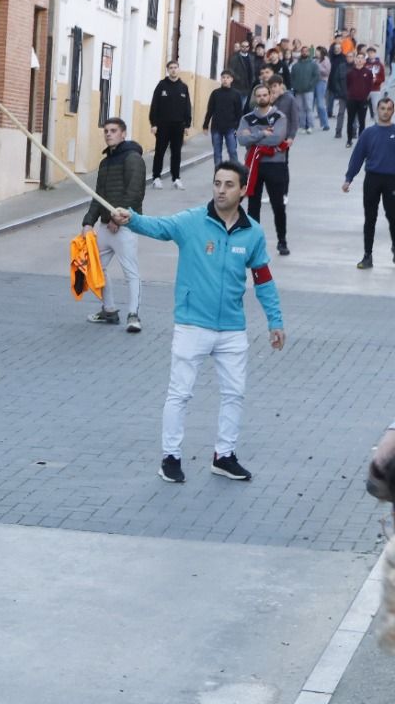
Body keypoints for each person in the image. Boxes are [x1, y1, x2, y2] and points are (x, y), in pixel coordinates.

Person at [110, 161, 285, 484]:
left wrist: (275, 321)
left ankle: (224, 456)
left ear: (243, 190)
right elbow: (158, 227)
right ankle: (171, 458)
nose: (220, 190)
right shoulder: (192, 221)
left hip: (232, 329)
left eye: (229, 184)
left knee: (234, 393)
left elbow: (263, 279)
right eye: (217, 183)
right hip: (192, 325)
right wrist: (131, 219)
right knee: (180, 393)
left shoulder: (253, 233)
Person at [80, 117, 145, 332]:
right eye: (106, 131)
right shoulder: (105, 162)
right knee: (96, 264)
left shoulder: (133, 158)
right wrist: (88, 222)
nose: (109, 134)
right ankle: (108, 310)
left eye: (113, 130)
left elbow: (135, 191)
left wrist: (120, 217)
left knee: (130, 272)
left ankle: (134, 315)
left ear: (123, 133)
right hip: (106, 227)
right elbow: (98, 195)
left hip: (125, 226)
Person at [237, 82, 291, 256]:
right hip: (254, 166)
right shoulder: (247, 119)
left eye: (264, 95)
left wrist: (253, 137)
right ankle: (254, 243)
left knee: (278, 205)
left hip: (276, 165)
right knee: (253, 206)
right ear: (255, 97)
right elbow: (242, 141)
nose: (261, 98)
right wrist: (262, 133)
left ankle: (282, 241)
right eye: (258, 95)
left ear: (270, 96)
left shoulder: (280, 117)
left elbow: (276, 138)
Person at [343, 96, 395, 269]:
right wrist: (349, 178)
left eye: (389, 109)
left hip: (392, 181)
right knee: (370, 218)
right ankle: (367, 256)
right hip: (372, 179)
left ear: (393, 111)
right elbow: (357, 156)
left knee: (393, 217)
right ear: (377, 110)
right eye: (382, 108)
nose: (385, 112)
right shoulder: (368, 133)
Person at [148, 61, 190, 190]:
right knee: (160, 152)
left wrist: (187, 124)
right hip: (163, 125)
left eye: (175, 68)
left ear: (179, 69)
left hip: (178, 125)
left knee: (176, 152)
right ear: (167, 70)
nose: (173, 70)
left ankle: (176, 178)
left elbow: (187, 106)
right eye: (171, 68)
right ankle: (156, 178)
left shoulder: (183, 87)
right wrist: (153, 123)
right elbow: (155, 105)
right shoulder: (161, 85)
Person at [203, 70, 244, 166]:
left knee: (232, 151)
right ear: (221, 79)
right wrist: (205, 125)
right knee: (217, 154)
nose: (225, 80)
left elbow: (239, 112)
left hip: (230, 128)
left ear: (231, 80)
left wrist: (238, 128)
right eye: (223, 77)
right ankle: (218, 176)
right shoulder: (215, 93)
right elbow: (210, 110)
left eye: (228, 78)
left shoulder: (236, 94)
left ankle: (235, 175)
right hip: (216, 128)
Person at [346, 52, 377, 148]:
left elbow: (369, 86)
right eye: (358, 58)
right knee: (350, 120)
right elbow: (347, 85)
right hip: (352, 99)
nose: (359, 60)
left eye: (361, 58)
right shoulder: (350, 72)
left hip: (362, 100)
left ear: (364, 61)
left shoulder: (368, 73)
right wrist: (349, 95)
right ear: (355, 60)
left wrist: (366, 96)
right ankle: (349, 140)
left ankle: (361, 141)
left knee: (362, 121)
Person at [288, 46, 318, 134]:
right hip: (298, 90)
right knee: (300, 109)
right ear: (301, 53)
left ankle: (310, 126)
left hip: (309, 90)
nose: (304, 53)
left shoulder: (313, 64)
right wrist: (294, 86)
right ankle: (302, 126)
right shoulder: (296, 65)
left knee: (309, 108)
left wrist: (310, 85)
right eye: (303, 51)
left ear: (309, 53)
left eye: (306, 51)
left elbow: (316, 76)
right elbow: (292, 77)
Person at [315, 45, 332, 131]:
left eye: (317, 51)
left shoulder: (325, 60)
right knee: (315, 104)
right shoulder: (315, 60)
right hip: (313, 82)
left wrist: (318, 66)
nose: (315, 52)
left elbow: (327, 72)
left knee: (321, 103)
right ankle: (321, 123)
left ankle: (326, 123)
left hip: (321, 82)